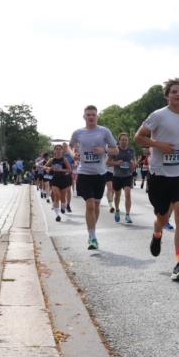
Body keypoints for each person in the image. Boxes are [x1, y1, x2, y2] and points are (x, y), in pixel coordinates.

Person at [134, 78, 179, 281]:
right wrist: (159, 145)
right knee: (163, 218)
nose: (178, 94)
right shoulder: (158, 116)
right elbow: (138, 137)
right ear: (167, 96)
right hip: (160, 175)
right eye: (174, 91)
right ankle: (157, 232)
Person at [70, 105, 119, 250]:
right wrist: (74, 154)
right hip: (84, 173)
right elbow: (70, 146)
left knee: (96, 206)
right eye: (88, 115)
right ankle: (92, 237)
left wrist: (104, 150)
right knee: (90, 205)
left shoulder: (104, 131)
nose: (91, 117)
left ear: (97, 117)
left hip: (100, 174)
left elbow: (116, 150)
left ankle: (92, 231)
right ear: (84, 117)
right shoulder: (78, 133)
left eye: (93, 115)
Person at [109, 133, 137, 224]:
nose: (124, 141)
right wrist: (116, 163)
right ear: (119, 141)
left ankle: (127, 215)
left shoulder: (131, 150)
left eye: (126, 140)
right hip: (117, 176)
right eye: (122, 140)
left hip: (128, 176)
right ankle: (117, 210)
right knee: (117, 195)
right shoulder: (115, 150)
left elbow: (134, 161)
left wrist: (133, 165)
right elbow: (108, 162)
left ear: (128, 141)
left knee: (128, 194)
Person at [48, 145, 73, 222]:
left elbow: (69, 170)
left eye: (60, 149)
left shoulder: (64, 159)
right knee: (56, 196)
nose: (58, 150)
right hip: (55, 179)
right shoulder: (51, 160)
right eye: (57, 149)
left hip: (63, 179)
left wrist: (61, 169)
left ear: (62, 151)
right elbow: (45, 167)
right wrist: (49, 169)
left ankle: (63, 207)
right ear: (54, 151)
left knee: (62, 197)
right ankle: (57, 215)